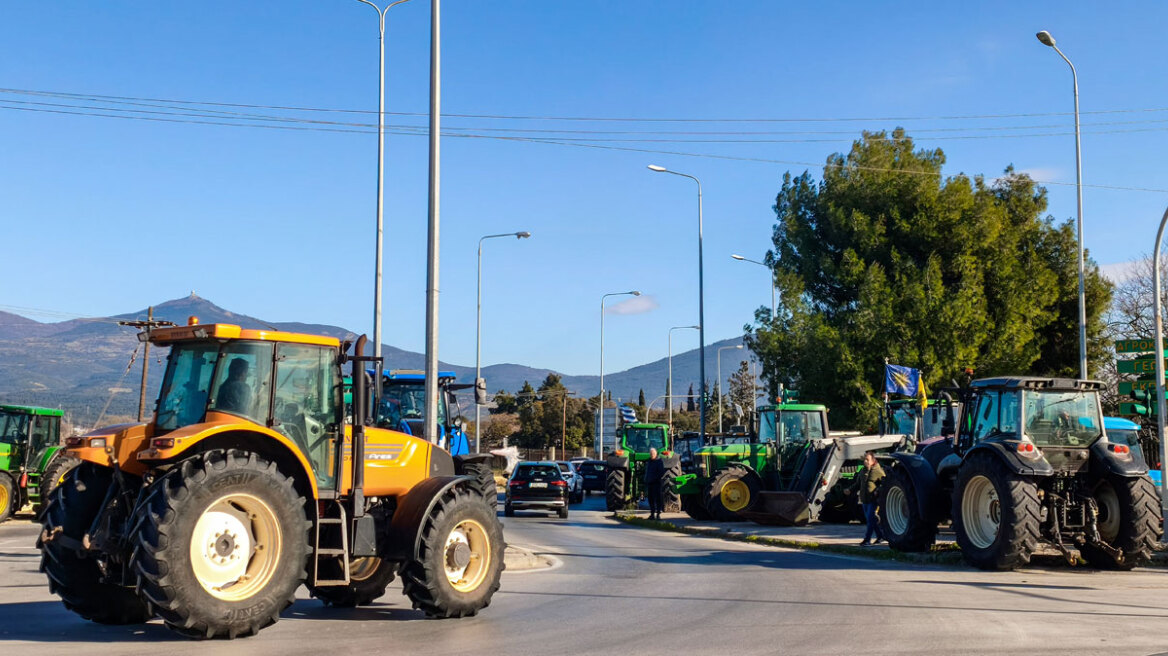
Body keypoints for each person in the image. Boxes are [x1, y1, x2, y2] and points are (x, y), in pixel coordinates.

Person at [849, 450, 886, 546]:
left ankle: (867, 540)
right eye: (864, 459)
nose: (865, 461)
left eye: (867, 459)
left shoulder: (878, 471)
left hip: (873, 500)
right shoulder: (863, 471)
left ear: (873, 461)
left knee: (870, 519)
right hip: (864, 500)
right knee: (871, 520)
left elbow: (885, 483)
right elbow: (858, 484)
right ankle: (880, 536)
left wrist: (878, 491)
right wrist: (849, 490)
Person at [644, 447, 665, 520]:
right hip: (650, 483)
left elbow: (661, 472)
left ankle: (658, 514)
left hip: (657, 483)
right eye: (651, 454)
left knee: (658, 499)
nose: (652, 455)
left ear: (656, 454)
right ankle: (652, 514)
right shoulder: (649, 461)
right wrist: (646, 479)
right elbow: (647, 472)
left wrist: (656, 478)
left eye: (653, 453)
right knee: (651, 499)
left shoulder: (659, 461)